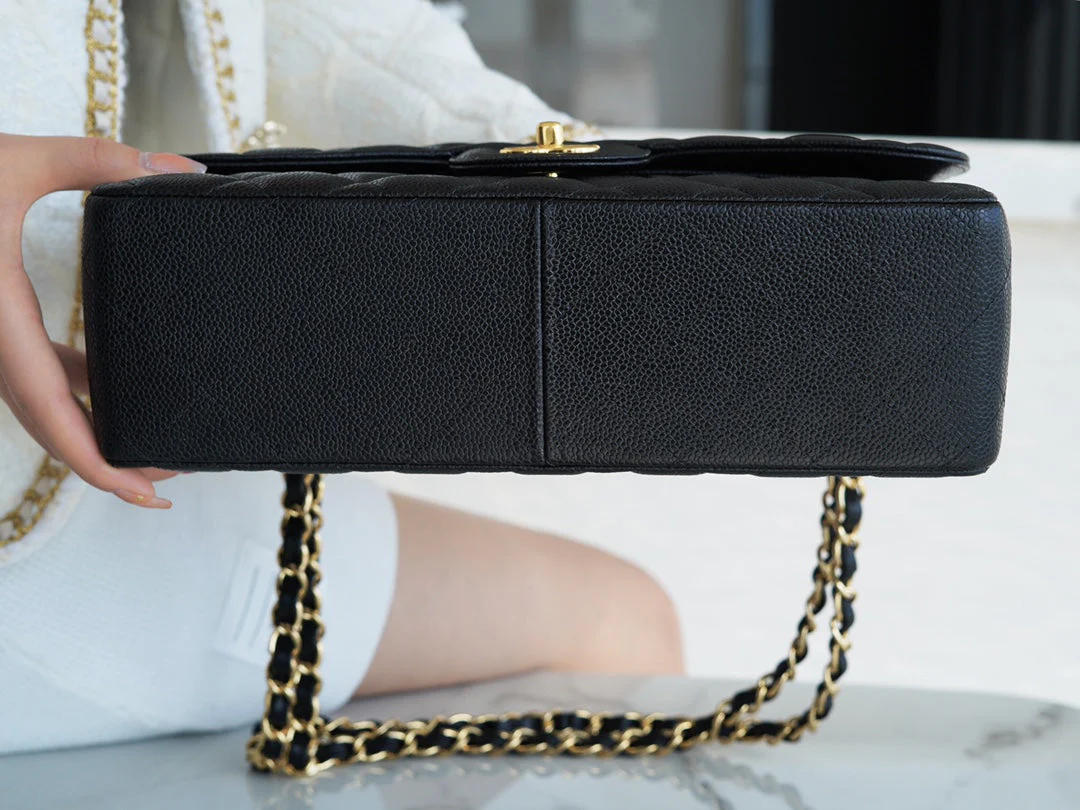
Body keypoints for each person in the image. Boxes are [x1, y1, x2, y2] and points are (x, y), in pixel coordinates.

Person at [0, 0, 682, 755]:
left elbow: (323, 31)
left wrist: (566, 179)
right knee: (612, 625)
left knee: (623, 621)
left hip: (127, 442)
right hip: (39, 527)